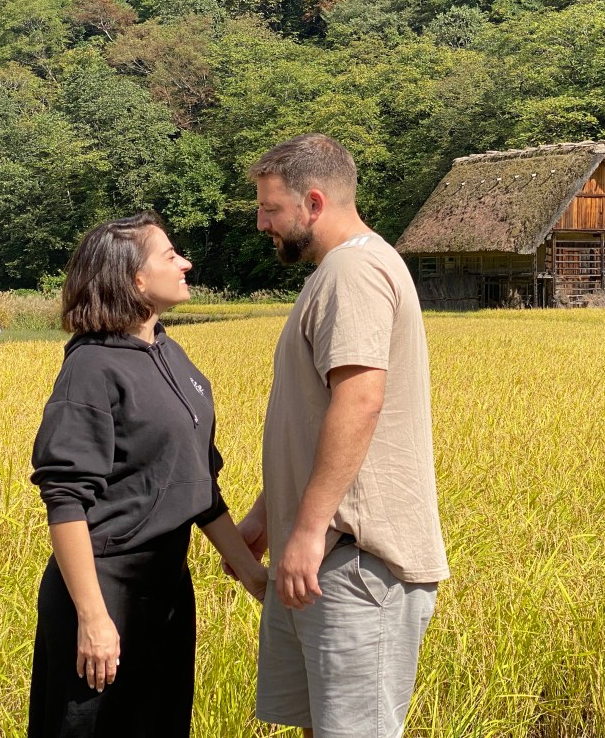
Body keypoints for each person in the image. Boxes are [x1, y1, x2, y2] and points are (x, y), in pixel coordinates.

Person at [229, 133, 450, 738]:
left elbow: (359, 400)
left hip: (354, 562)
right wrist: (268, 518)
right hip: (328, 557)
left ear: (315, 203)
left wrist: (304, 531)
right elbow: (313, 417)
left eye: (271, 209)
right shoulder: (340, 270)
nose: (261, 223)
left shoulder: (353, 270)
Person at [28, 211, 267, 738]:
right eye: (169, 255)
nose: (185, 262)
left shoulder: (170, 354)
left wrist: (256, 578)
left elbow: (199, 486)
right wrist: (92, 618)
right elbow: (65, 497)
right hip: (104, 587)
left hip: (167, 590)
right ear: (135, 279)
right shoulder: (91, 367)